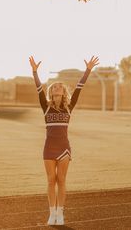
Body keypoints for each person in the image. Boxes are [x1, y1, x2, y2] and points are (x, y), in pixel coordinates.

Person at [29, 55, 99, 225]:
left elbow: (79, 88)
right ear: (51, 92)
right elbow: (38, 87)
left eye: (61, 86)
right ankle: (51, 213)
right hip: (49, 148)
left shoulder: (69, 106)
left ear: (63, 92)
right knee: (50, 180)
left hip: (63, 148)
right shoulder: (46, 107)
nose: (58, 88)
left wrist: (88, 69)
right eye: (55, 87)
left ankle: (60, 214)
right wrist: (35, 72)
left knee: (61, 180)